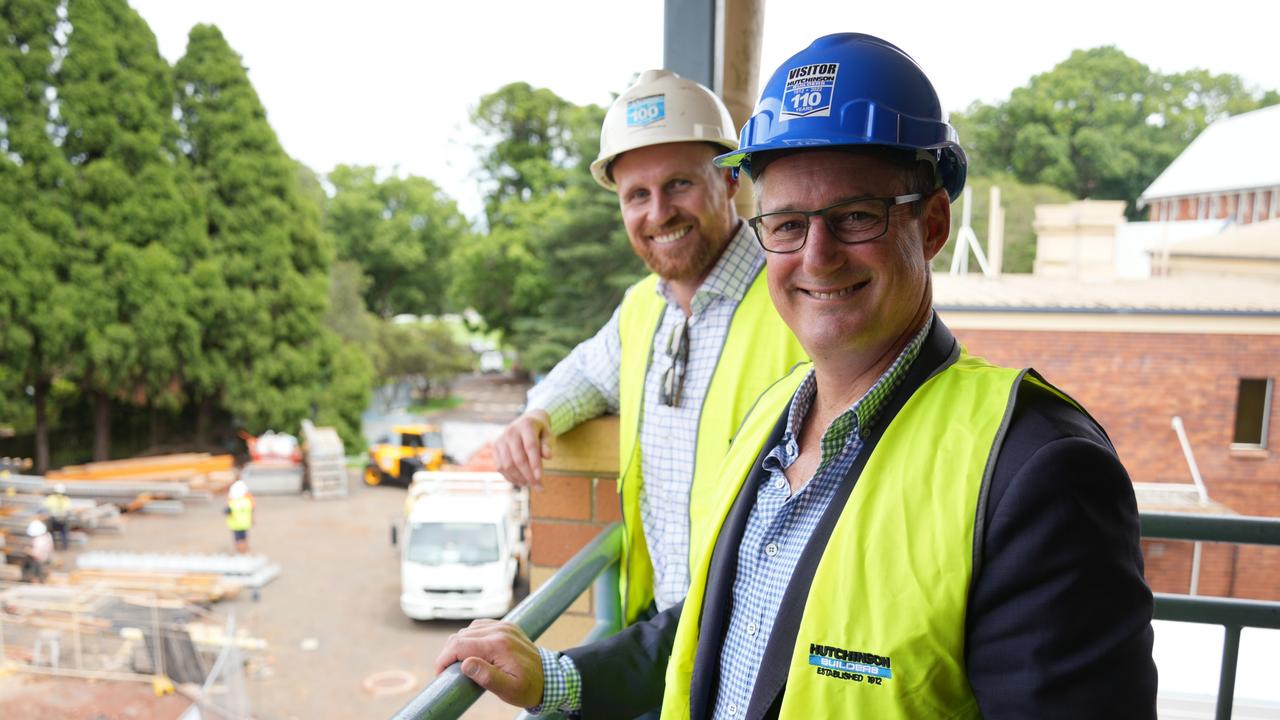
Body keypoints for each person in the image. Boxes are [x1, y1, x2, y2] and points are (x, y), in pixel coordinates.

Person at [437, 33, 1157, 718]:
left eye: (855, 216)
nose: (817, 255)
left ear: (932, 225)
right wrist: (555, 678)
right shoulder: (772, 420)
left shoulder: (1037, 472)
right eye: (786, 224)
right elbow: (716, 627)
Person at [493, 69, 805, 625]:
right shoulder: (642, 308)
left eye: (679, 184)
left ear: (731, 182)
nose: (658, 213)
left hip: (759, 632)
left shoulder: (798, 295)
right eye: (637, 194)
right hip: (661, 624)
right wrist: (535, 415)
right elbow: (589, 374)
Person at [225, 480, 254, 554]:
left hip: (236, 525)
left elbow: (227, 512)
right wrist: (252, 520)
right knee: (244, 538)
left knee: (238, 540)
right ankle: (245, 551)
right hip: (245, 524)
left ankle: (240, 552)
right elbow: (251, 510)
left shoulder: (232, 504)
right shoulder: (247, 502)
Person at [44, 483, 72, 550]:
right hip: (63, 519)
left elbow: (46, 507)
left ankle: (54, 546)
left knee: (52, 533)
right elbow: (69, 509)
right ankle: (65, 547)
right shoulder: (66, 499)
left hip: (53, 519)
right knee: (64, 533)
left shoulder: (50, 498)